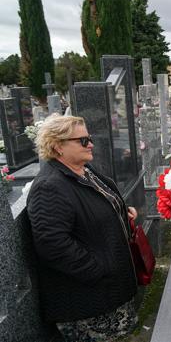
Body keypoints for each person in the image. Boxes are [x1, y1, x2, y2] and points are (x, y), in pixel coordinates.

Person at [27, 115, 138, 342]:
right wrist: (98, 270)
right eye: (83, 140)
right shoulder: (49, 186)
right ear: (58, 146)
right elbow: (53, 245)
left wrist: (120, 213)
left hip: (109, 288)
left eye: (89, 138)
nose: (91, 144)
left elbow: (91, 208)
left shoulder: (84, 170)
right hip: (87, 301)